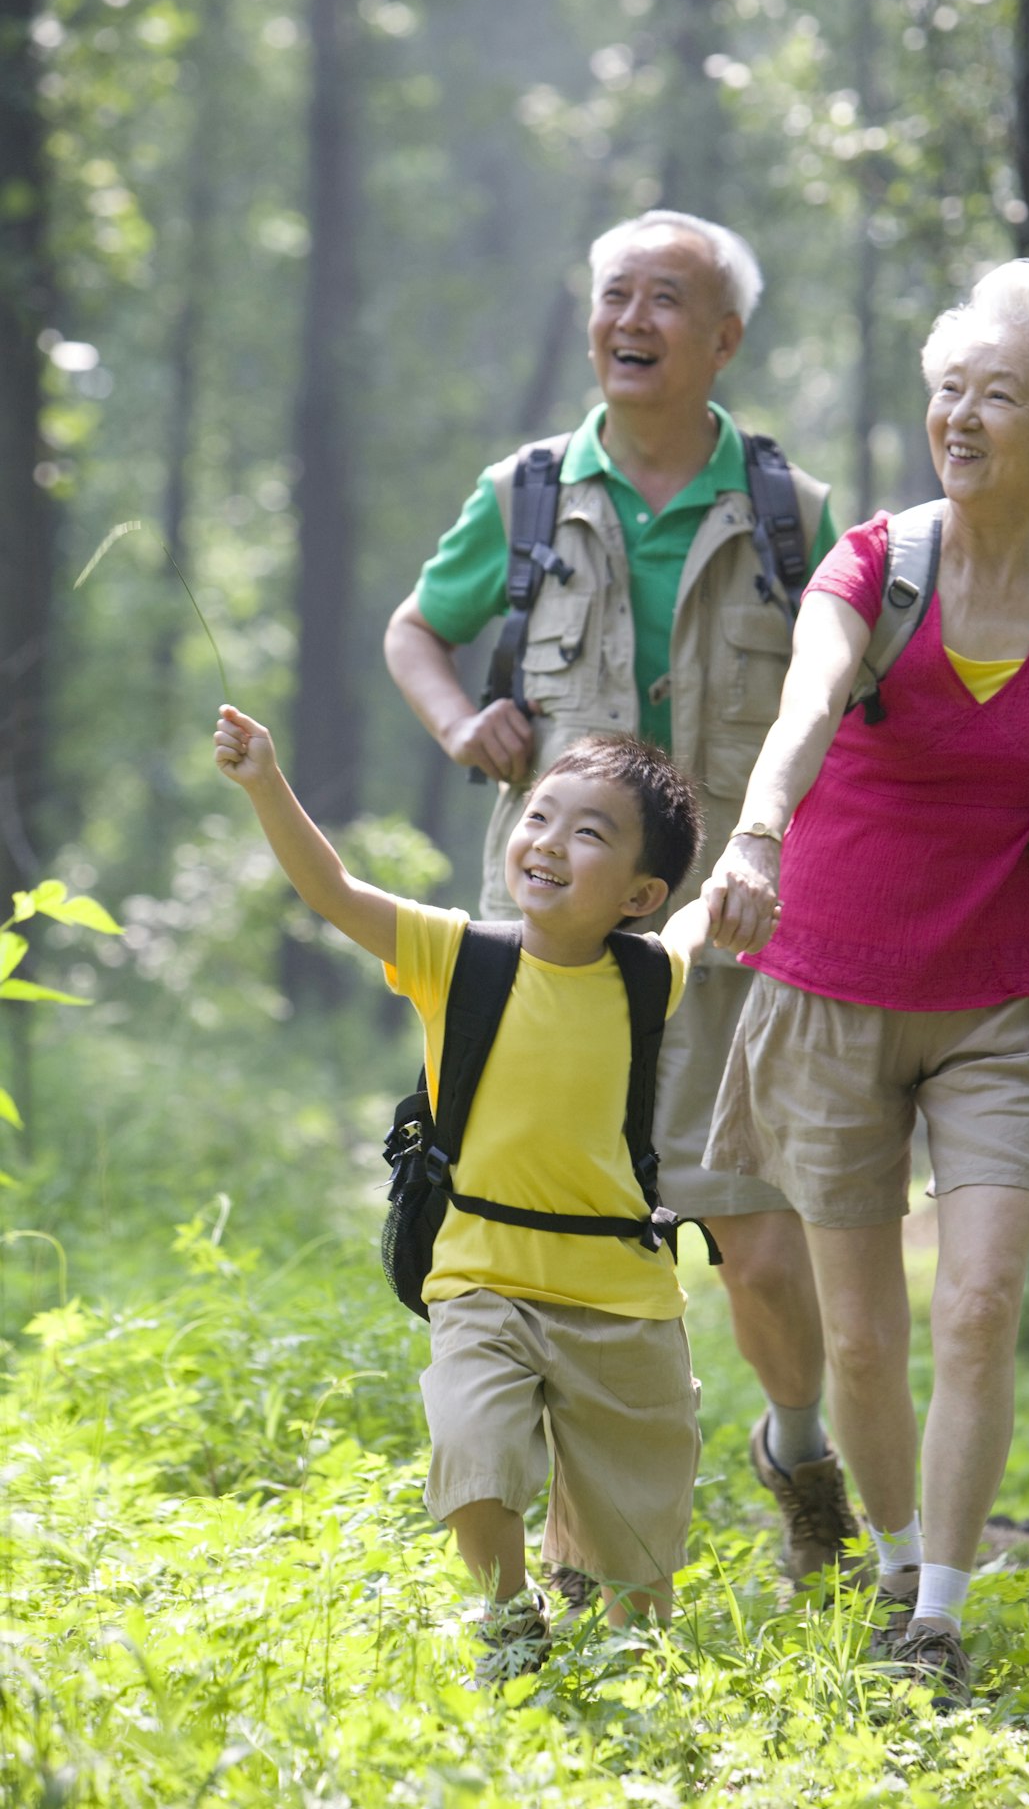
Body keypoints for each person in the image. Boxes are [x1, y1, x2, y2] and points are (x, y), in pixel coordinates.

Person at [703, 258, 1029, 1706]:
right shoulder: (873, 563)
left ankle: (935, 1613)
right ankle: (892, 1539)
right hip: (833, 986)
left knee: (976, 1305)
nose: (959, 417)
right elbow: (804, 704)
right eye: (946, 392)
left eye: (995, 395)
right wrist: (754, 832)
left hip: (1014, 999)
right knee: (862, 1331)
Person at [383, 209, 862, 1587]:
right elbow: (419, 628)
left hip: (731, 932)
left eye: (667, 300)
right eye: (613, 296)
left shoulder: (794, 513)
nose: (631, 321)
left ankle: (795, 1443)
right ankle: (575, 1556)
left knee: (760, 1244)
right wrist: (456, 725)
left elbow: (854, 709)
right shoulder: (528, 491)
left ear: (725, 339)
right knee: (556, 1243)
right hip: (554, 946)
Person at [214, 706, 718, 1682]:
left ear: (639, 891)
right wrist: (265, 779)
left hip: (623, 1298)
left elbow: (693, 929)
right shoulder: (458, 955)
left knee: (640, 1570)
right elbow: (332, 888)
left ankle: (617, 1650)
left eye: (589, 831)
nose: (549, 842)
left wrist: (733, 887)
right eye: (540, 815)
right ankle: (507, 1616)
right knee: (473, 1452)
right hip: (481, 1279)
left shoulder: (645, 976)